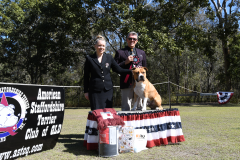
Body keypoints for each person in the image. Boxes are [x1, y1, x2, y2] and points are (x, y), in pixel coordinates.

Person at [84, 35, 132, 111]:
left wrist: (132, 71)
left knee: (108, 113)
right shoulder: (89, 59)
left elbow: (119, 70)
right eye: (99, 45)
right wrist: (86, 91)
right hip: (94, 91)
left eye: (103, 46)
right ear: (95, 46)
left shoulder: (109, 57)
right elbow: (86, 76)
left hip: (108, 90)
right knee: (96, 113)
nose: (101, 47)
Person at [114, 31, 147, 111]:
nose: (132, 40)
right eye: (130, 38)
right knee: (126, 108)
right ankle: (126, 124)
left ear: (137, 41)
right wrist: (125, 62)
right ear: (126, 39)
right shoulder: (120, 52)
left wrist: (141, 69)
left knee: (140, 108)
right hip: (126, 83)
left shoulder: (142, 52)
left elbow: (145, 68)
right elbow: (114, 68)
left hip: (139, 84)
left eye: (134, 39)